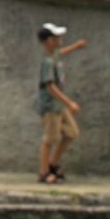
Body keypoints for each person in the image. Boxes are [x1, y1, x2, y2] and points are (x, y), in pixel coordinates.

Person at [35, 22, 87, 184]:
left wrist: (76, 46)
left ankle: (53, 163)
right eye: (56, 37)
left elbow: (61, 52)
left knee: (72, 133)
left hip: (59, 105)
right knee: (50, 139)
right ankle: (44, 173)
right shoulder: (47, 63)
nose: (60, 39)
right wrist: (70, 103)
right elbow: (50, 86)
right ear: (49, 41)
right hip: (51, 106)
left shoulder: (54, 56)